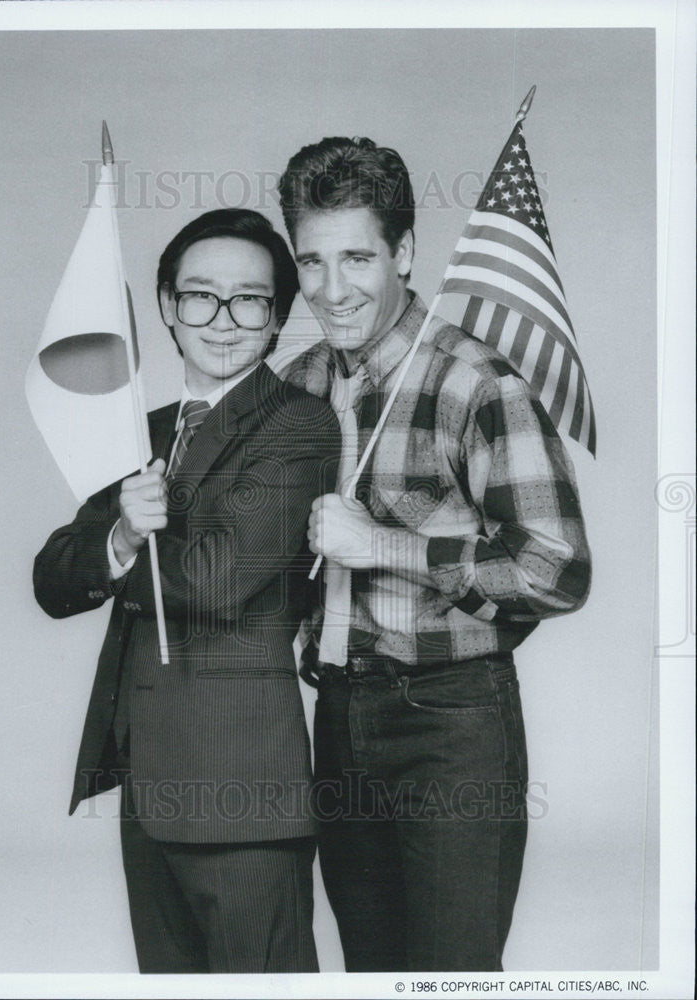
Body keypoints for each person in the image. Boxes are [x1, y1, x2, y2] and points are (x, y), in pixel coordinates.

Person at [278, 137, 591, 972]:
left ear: (404, 253)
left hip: (450, 722)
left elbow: (555, 571)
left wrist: (381, 542)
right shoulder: (296, 387)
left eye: (356, 257)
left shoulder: (476, 383)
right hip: (338, 718)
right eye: (311, 261)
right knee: (371, 974)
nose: (331, 289)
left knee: (450, 978)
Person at [33, 208, 340, 974]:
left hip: (242, 793)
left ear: (278, 318)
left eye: (250, 301)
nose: (224, 321)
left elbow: (213, 581)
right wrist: (114, 538)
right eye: (201, 297)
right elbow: (53, 577)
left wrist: (133, 542)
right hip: (150, 783)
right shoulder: (141, 432)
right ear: (168, 306)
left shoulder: (298, 427)